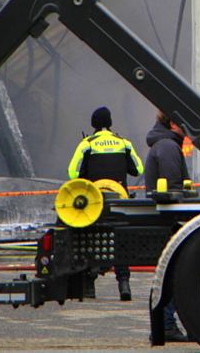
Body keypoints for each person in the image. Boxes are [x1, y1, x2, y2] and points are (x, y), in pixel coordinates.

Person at [68, 106, 145, 300]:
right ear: (110, 124)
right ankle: (124, 284)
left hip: (95, 202)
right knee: (120, 242)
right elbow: (138, 169)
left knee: (92, 239)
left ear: (93, 124)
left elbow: (73, 173)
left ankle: (90, 286)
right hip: (121, 201)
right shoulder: (123, 143)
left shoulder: (87, 144)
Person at [144, 111, 190, 343]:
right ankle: (167, 325)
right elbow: (173, 186)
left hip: (163, 219)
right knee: (173, 273)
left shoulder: (163, 144)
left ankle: (167, 325)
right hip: (168, 220)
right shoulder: (169, 147)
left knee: (170, 272)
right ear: (173, 123)